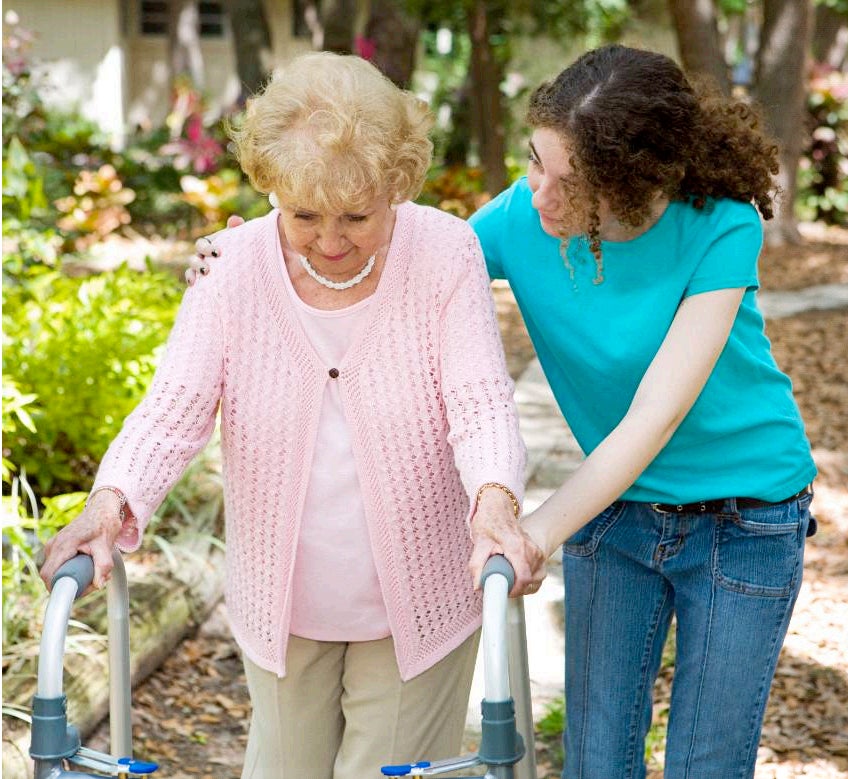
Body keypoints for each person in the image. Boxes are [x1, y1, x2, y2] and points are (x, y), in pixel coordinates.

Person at [193, 44, 818, 779]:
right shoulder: (523, 216)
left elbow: (652, 419)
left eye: (571, 184)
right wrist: (261, 256)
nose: (539, 195)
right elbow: (409, 254)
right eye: (533, 162)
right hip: (617, 516)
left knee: (703, 765)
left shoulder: (719, 226)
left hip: (743, 517)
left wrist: (529, 532)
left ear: (633, 182)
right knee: (594, 760)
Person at [39, 52, 529, 779]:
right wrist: (110, 500)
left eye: (356, 216)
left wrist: (495, 501)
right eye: (304, 215)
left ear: (396, 183)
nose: (330, 241)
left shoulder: (443, 252)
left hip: (419, 608)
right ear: (270, 186)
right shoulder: (231, 267)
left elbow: (478, 398)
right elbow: (172, 410)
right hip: (282, 610)